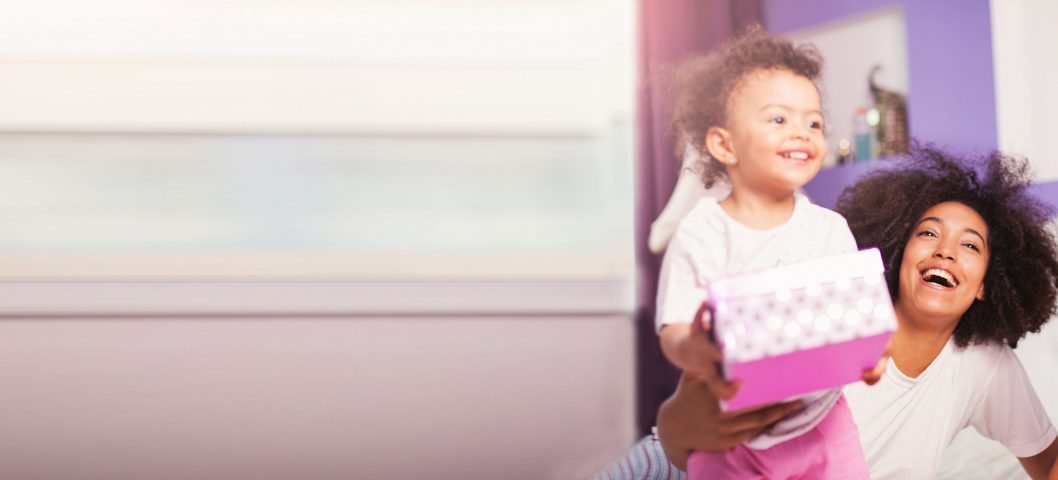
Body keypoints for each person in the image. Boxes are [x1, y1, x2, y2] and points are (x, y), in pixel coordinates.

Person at [646, 147, 1058, 479]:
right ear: (899, 251)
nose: (945, 250)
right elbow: (688, 428)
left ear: (989, 283)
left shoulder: (984, 366)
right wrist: (676, 426)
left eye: (970, 246)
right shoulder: (836, 317)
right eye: (928, 233)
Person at [653, 26, 882, 479]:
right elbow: (674, 328)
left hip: (822, 424)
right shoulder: (702, 230)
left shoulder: (829, 229)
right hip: (729, 431)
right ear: (724, 144)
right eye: (779, 119)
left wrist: (870, 355)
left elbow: (858, 318)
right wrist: (694, 349)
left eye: (813, 122)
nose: (801, 132)